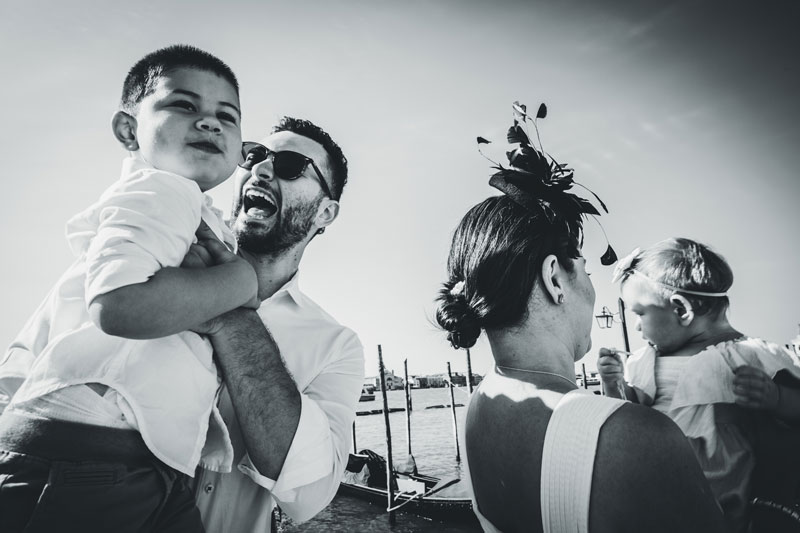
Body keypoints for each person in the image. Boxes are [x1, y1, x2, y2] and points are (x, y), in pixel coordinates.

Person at [0, 44, 257, 531]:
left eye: (227, 115)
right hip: (86, 460)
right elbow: (121, 305)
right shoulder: (162, 191)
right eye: (184, 105)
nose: (209, 122)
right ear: (128, 130)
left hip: (128, 463)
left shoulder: (191, 212)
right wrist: (239, 280)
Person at [435, 103, 726, 532]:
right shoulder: (635, 438)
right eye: (586, 269)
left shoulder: (479, 407)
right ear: (555, 277)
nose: (592, 287)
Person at [157, 116, 365, 532]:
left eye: (289, 165)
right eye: (253, 155)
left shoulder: (336, 347)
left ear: (326, 212)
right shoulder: (159, 265)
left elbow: (311, 491)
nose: (260, 169)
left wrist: (230, 316)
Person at [597, 238, 800, 532]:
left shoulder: (752, 356)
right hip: (658, 481)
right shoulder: (647, 361)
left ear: (681, 309)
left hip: (727, 499)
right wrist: (612, 381)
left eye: (640, 313)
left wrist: (776, 397)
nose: (637, 326)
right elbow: (629, 411)